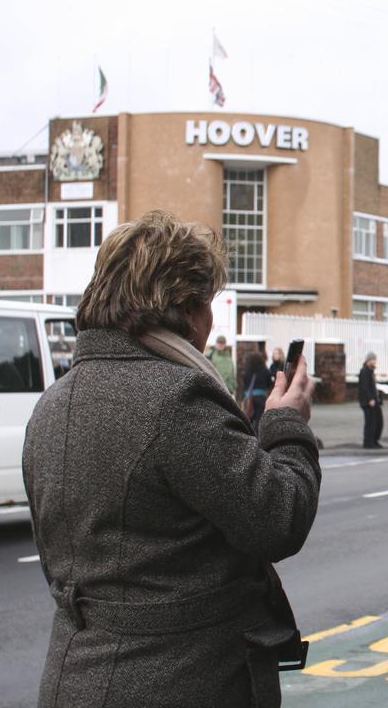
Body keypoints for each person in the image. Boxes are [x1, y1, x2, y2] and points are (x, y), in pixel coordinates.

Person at [23, 210, 320, 708]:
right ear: (183, 308)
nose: (209, 321)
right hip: (179, 679)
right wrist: (287, 424)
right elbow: (277, 520)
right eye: (207, 304)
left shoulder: (53, 403)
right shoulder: (178, 401)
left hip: (72, 674)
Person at [357, 351, 384, 449]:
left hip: (374, 401)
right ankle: (368, 442)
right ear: (369, 360)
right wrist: (370, 399)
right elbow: (364, 387)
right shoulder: (364, 371)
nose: (375, 361)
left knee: (378, 422)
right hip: (368, 402)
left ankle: (374, 440)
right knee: (370, 423)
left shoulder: (370, 371)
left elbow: (371, 386)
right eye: (373, 359)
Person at [242, 350, 275, 426]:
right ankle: (258, 435)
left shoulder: (247, 371)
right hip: (261, 398)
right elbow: (269, 384)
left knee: (248, 418)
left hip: (248, 398)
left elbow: (244, 384)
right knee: (259, 420)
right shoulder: (265, 370)